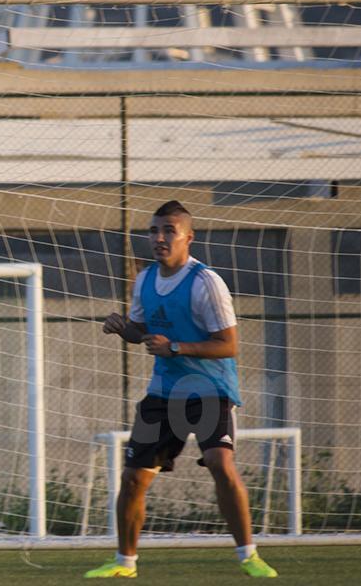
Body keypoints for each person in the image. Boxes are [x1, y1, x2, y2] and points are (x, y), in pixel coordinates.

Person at [85, 200, 277, 579]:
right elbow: (143, 333)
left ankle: (249, 555)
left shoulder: (206, 282)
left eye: (169, 231)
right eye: (154, 230)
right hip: (164, 392)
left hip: (209, 390)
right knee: (134, 477)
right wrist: (124, 329)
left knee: (221, 463)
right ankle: (124, 563)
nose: (159, 238)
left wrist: (175, 347)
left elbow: (229, 345)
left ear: (189, 237)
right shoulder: (145, 280)